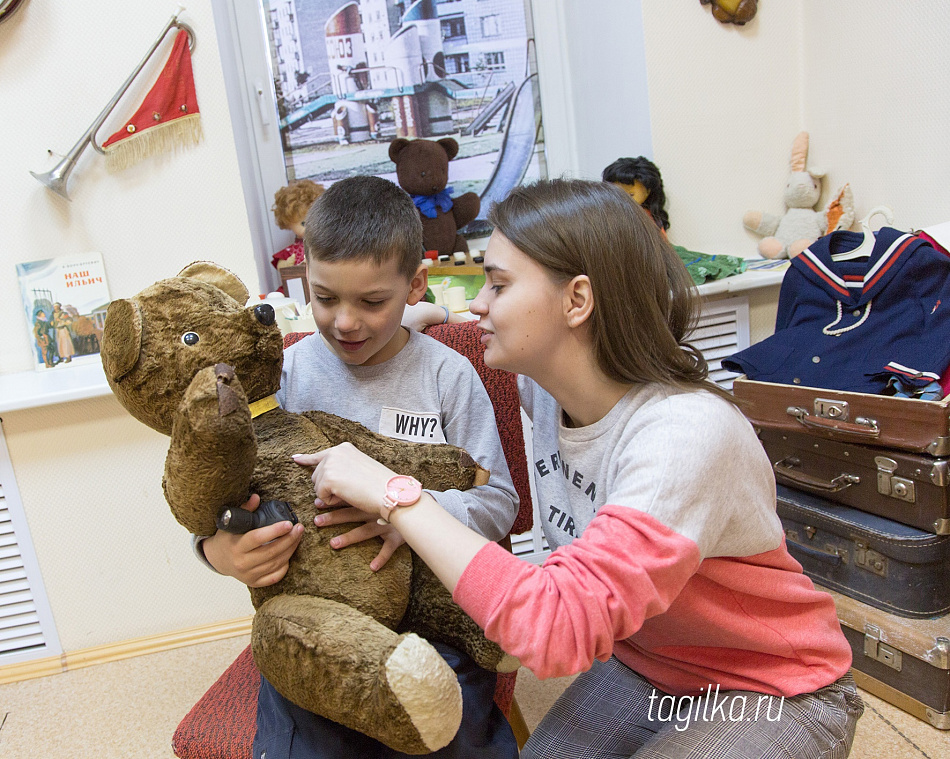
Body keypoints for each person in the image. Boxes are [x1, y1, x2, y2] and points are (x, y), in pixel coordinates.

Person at [296, 178, 864, 759]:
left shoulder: (685, 436)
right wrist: (398, 321)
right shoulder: (547, 389)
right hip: (646, 668)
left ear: (577, 300)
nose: (478, 304)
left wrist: (396, 495)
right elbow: (451, 327)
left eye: (497, 284)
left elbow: (554, 629)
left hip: (774, 688)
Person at [197, 174, 520, 759]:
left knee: (444, 730)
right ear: (304, 280)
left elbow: (499, 504)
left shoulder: (447, 376)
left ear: (414, 286)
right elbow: (219, 492)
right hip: (319, 616)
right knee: (315, 737)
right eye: (325, 298)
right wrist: (215, 550)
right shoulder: (283, 375)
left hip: (433, 618)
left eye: (372, 301)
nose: (345, 322)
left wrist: (409, 514)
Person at [602, 155, 670, 235]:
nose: (623, 198)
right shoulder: (607, 215)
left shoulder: (649, 219)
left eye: (631, 195)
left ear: (648, 191)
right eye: (616, 193)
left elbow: (661, 244)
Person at [270, 179, 325, 270]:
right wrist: (288, 264)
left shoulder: (326, 245)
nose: (309, 228)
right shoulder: (294, 251)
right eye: (303, 224)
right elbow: (281, 266)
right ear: (288, 223)